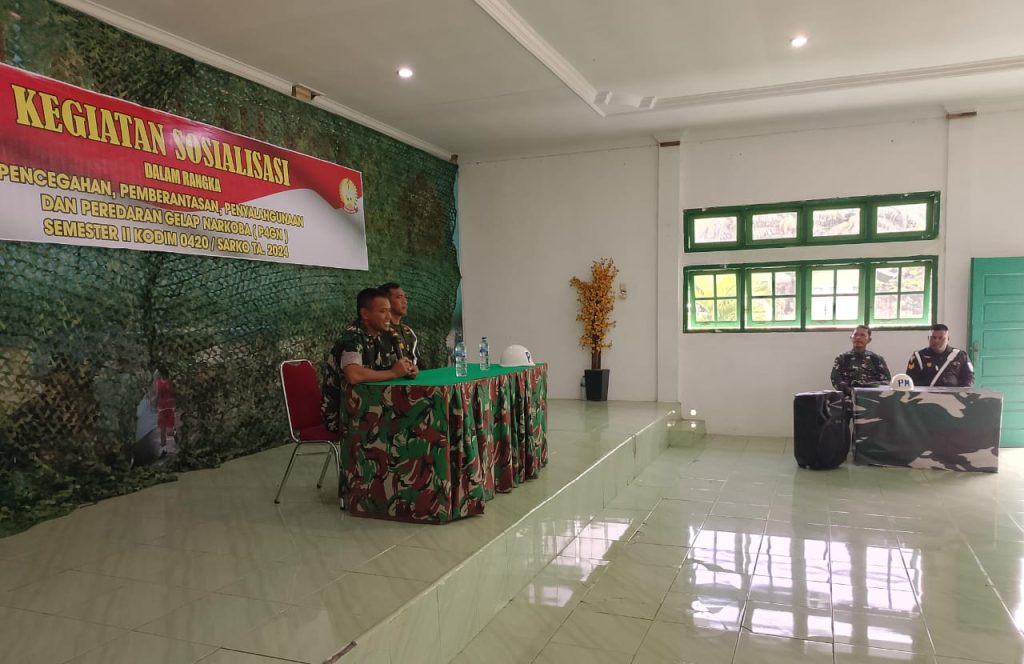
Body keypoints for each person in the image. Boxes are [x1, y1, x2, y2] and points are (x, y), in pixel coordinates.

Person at [320, 287, 418, 432]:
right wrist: (393, 373)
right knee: (408, 425)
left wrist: (406, 369)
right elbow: (353, 375)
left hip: (370, 408)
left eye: (389, 311)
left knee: (414, 415)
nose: (389, 317)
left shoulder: (381, 336)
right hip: (343, 417)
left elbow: (387, 369)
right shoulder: (352, 337)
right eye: (382, 312)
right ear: (365, 314)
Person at [905, 323, 975, 387]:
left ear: (948, 339)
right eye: (933, 337)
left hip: (953, 395)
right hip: (926, 395)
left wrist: (960, 393)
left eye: (941, 338)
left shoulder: (960, 355)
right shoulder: (918, 356)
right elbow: (911, 380)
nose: (936, 341)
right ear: (928, 338)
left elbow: (969, 378)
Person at [379, 281, 424, 369]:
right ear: (386, 301)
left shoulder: (408, 331)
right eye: (399, 297)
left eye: (404, 297)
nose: (405, 301)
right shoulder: (379, 331)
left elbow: (418, 362)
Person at [830, 325, 891, 389]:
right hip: (848, 393)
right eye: (855, 335)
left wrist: (871, 388)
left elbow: (886, 380)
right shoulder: (842, 358)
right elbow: (835, 379)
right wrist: (850, 390)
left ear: (869, 340)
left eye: (862, 335)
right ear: (851, 338)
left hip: (872, 393)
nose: (858, 337)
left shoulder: (877, 359)